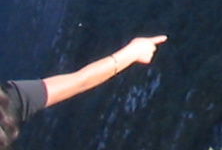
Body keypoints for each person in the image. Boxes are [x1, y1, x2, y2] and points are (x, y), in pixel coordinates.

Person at [0, 35, 166, 149]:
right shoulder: (9, 101)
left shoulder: (11, 99)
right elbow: (81, 80)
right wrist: (133, 52)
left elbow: (81, 80)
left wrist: (132, 53)